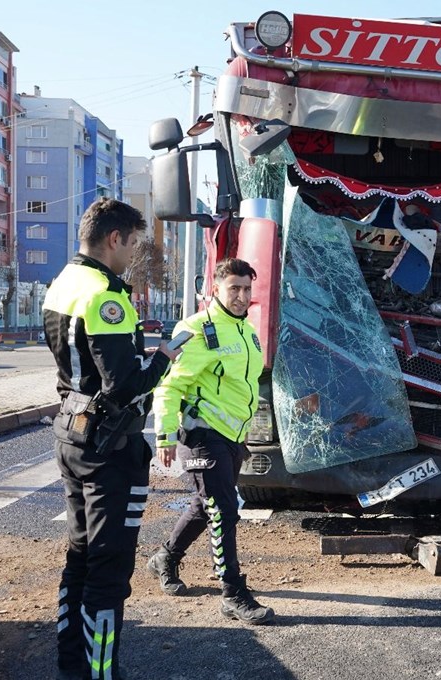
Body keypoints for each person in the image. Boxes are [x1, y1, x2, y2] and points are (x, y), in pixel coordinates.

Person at [42, 197, 180, 680]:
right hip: (109, 446)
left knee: (80, 556)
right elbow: (122, 386)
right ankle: (102, 673)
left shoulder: (63, 282)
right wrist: (164, 357)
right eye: (134, 243)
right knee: (109, 567)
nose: (134, 253)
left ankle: (72, 667)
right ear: (114, 238)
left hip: (71, 432)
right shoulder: (105, 294)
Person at [145, 257, 275, 625]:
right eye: (234, 288)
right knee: (224, 510)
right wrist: (165, 434)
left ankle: (165, 558)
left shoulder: (246, 330)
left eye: (247, 289)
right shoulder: (198, 329)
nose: (241, 296)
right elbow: (170, 385)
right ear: (215, 288)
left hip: (233, 437)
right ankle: (233, 593)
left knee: (207, 506)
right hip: (202, 435)